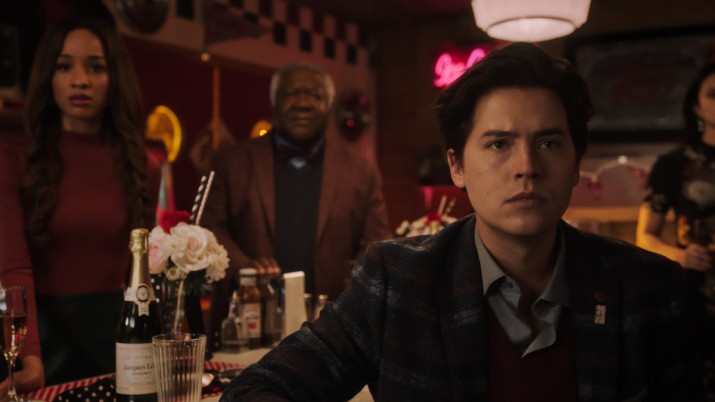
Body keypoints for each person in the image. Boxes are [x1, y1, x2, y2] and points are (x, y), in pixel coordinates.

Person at [219, 43, 703, 401]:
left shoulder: (648, 289)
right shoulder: (397, 281)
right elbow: (258, 388)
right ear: (457, 166)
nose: (527, 166)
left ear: (576, 162)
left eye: (549, 143)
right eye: (498, 144)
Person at [0, 16, 159, 389]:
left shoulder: (144, 166)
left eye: (96, 67)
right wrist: (30, 357)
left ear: (115, 77)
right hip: (39, 341)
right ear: (48, 76)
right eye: (64, 66)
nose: (80, 80)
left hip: (117, 343)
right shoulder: (12, 159)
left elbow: (142, 272)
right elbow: (13, 269)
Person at [202, 62, 391, 350]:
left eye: (314, 95)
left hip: (333, 333)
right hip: (244, 331)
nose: (302, 103)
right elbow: (210, 229)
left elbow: (375, 245)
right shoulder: (230, 161)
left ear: (329, 105)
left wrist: (350, 300)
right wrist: (245, 269)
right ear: (274, 102)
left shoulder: (361, 170)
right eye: (292, 93)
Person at [636, 62, 715, 395]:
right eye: (713, 94)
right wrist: (681, 255)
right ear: (696, 106)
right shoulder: (673, 165)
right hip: (699, 298)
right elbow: (644, 236)